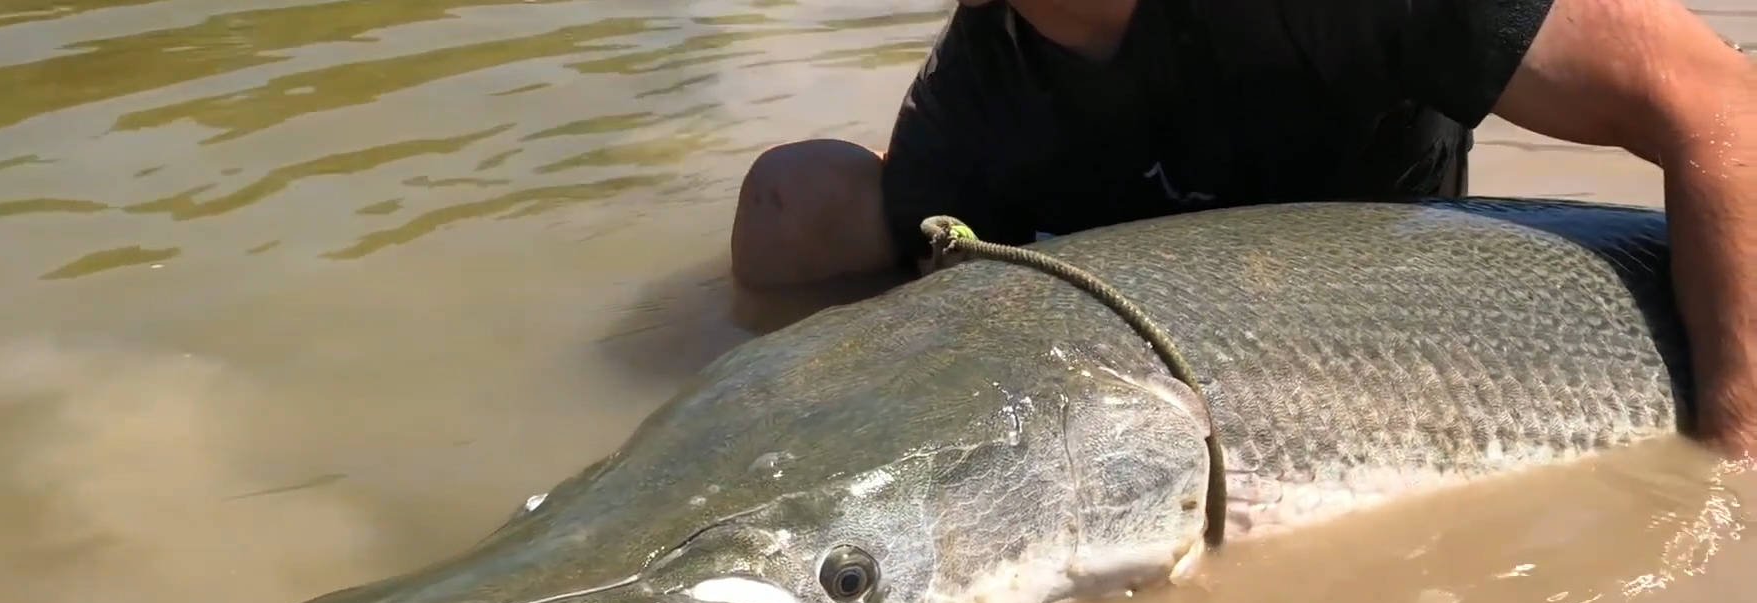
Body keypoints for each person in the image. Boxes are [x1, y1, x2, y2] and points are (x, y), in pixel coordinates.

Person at [729, 0, 1755, 453]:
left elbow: (1719, 105)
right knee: (796, 198)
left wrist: (1734, 456)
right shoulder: (978, 94)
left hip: (1399, 275)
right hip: (1176, 303)